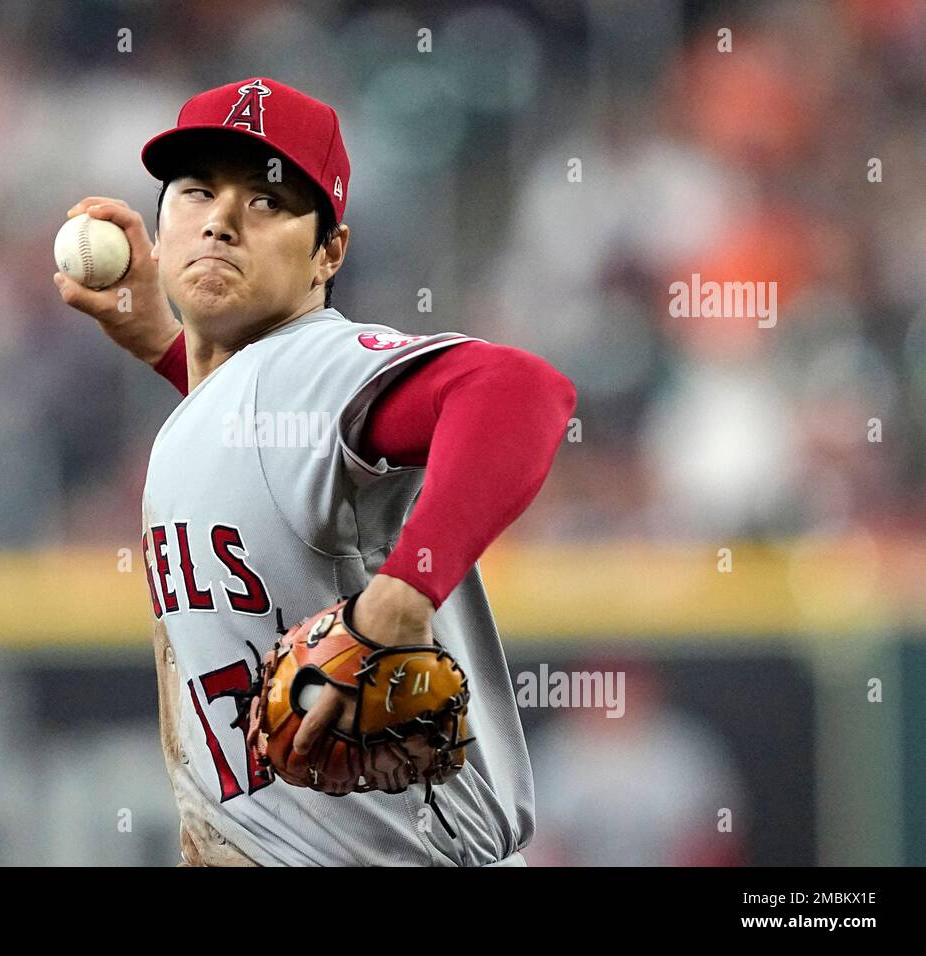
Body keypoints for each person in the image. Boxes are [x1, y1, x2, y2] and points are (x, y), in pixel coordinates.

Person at [54, 77, 577, 866]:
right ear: (160, 227)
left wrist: (405, 592)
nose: (222, 221)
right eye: (197, 191)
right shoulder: (247, 397)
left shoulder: (314, 363)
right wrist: (166, 344)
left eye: (266, 201)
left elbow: (522, 390)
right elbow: (255, 447)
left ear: (328, 253)